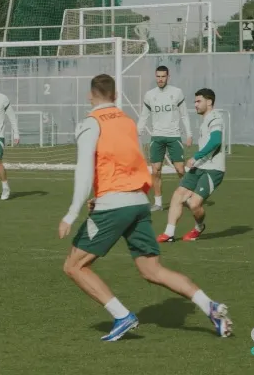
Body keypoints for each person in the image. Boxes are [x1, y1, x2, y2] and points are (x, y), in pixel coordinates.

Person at [59, 74, 232, 342]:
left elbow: (84, 170)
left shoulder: (90, 123)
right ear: (116, 96)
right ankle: (209, 305)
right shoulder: (127, 121)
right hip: (138, 202)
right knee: (152, 270)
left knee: (74, 266)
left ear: (90, 96)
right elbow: (131, 161)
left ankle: (122, 316)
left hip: (114, 205)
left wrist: (72, 213)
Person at [157, 88, 224, 242]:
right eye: (195, 101)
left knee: (194, 204)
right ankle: (169, 233)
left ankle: (199, 227)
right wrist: (197, 161)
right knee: (178, 195)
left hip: (213, 169)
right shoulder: (205, 120)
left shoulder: (215, 118)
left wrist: (196, 157)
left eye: (198, 101)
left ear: (209, 102)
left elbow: (216, 141)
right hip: (200, 166)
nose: (195, 105)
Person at [136, 66, 192, 211]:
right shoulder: (149, 95)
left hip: (174, 136)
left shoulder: (177, 92)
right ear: (155, 77)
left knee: (180, 169)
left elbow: (184, 115)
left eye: (163, 76)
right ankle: (158, 203)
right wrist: (137, 132)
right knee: (156, 170)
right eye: (158, 76)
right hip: (157, 136)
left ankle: (187, 196)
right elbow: (144, 116)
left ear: (168, 77)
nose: (160, 79)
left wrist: (189, 134)